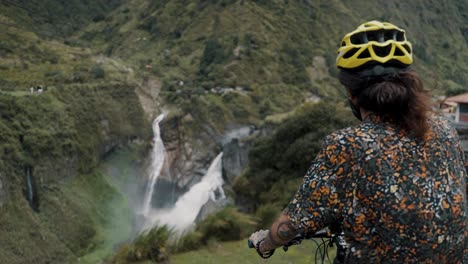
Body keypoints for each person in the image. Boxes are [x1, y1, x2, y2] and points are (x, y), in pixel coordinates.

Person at [249, 21, 467, 263]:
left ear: (352, 94)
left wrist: (264, 241)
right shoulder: (443, 128)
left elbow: (292, 225)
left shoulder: (348, 144)